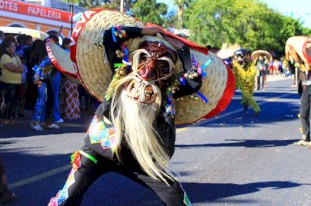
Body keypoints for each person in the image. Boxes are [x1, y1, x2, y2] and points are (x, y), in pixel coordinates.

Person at [48, 11, 234, 205]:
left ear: (169, 71)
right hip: (98, 149)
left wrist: (183, 50)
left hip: (138, 157)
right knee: (67, 197)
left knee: (175, 197)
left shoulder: (168, 89)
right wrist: (145, 30)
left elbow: (194, 79)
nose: (149, 69)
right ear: (136, 59)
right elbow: (111, 35)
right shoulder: (121, 71)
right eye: (144, 58)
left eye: (162, 64)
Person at [0, 36, 23, 125]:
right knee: (7, 102)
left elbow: (22, 67)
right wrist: (19, 69)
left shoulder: (16, 56)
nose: (14, 48)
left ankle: (10, 117)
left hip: (17, 83)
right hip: (7, 83)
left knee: (14, 102)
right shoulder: (4, 56)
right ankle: (4, 118)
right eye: (12, 46)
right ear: (7, 47)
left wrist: (19, 68)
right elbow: (12, 68)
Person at [232, 49, 260, 114]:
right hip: (242, 82)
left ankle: (245, 104)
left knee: (248, 96)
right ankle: (257, 109)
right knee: (247, 96)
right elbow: (237, 73)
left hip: (250, 81)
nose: (242, 57)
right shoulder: (236, 63)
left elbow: (253, 72)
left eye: (241, 55)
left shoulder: (250, 62)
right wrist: (237, 65)